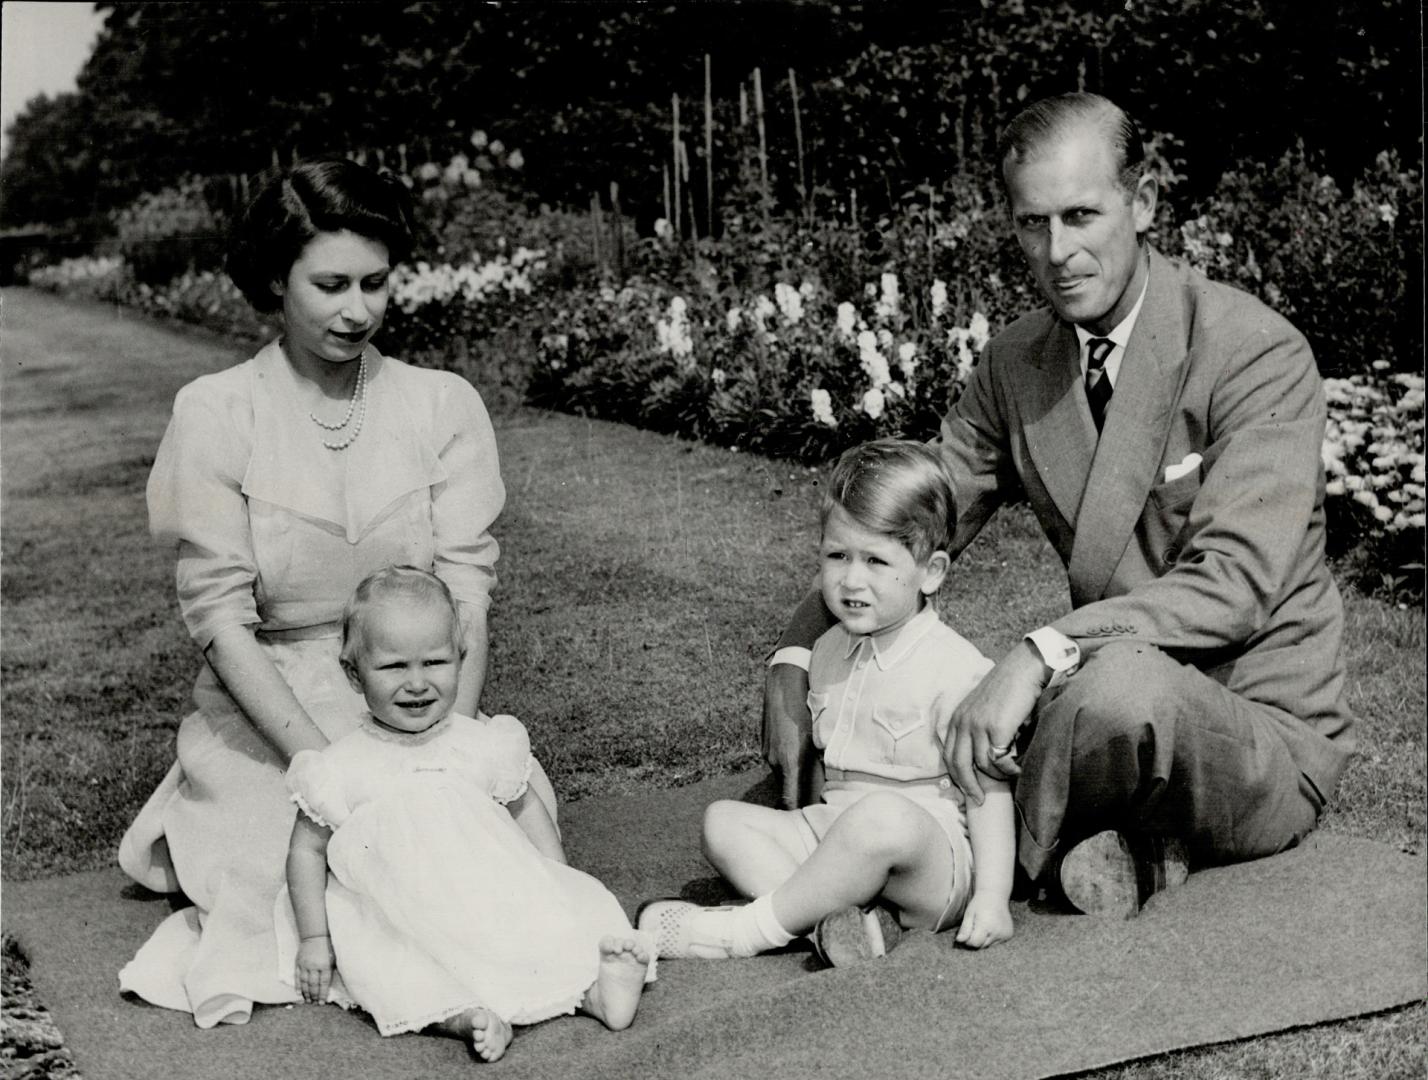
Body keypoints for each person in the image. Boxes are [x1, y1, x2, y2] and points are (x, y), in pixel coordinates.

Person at [762, 92, 1354, 918]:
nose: (1059, 251)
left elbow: (1233, 587)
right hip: (1101, 689)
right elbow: (898, 526)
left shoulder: (1254, 350)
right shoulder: (1016, 363)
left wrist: (1039, 653)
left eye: (1082, 216)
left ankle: (932, 874)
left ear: (1142, 203)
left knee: (1099, 700)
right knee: (926, 699)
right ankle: (1052, 850)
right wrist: (793, 663)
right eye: (1032, 223)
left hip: (1253, 730)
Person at [117, 157, 559, 1027]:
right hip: (270, 716)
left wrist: (447, 741)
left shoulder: (442, 405)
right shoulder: (218, 412)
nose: (357, 309)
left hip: (414, 693)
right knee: (286, 880)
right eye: (329, 285)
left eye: (375, 283)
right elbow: (220, 619)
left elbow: (466, 594)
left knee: (499, 856)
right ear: (275, 280)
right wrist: (332, 768)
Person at [640, 441, 1014, 964]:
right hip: (836, 832)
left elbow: (988, 793)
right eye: (837, 556)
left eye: (876, 561)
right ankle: (849, 924)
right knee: (723, 822)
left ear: (931, 572)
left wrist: (993, 898)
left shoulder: (956, 668)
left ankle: (746, 931)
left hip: (927, 860)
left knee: (881, 818)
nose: (851, 579)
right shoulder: (828, 651)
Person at [281, 567, 653, 1062]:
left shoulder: (479, 745)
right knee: (395, 968)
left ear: (460, 659)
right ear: (354, 674)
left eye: (435, 662)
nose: (417, 683)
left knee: (549, 932)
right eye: (394, 667)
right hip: (401, 913)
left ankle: (596, 994)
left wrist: (556, 877)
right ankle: (467, 1017)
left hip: (489, 896)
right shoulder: (341, 766)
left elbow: (525, 807)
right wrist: (314, 937)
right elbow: (307, 849)